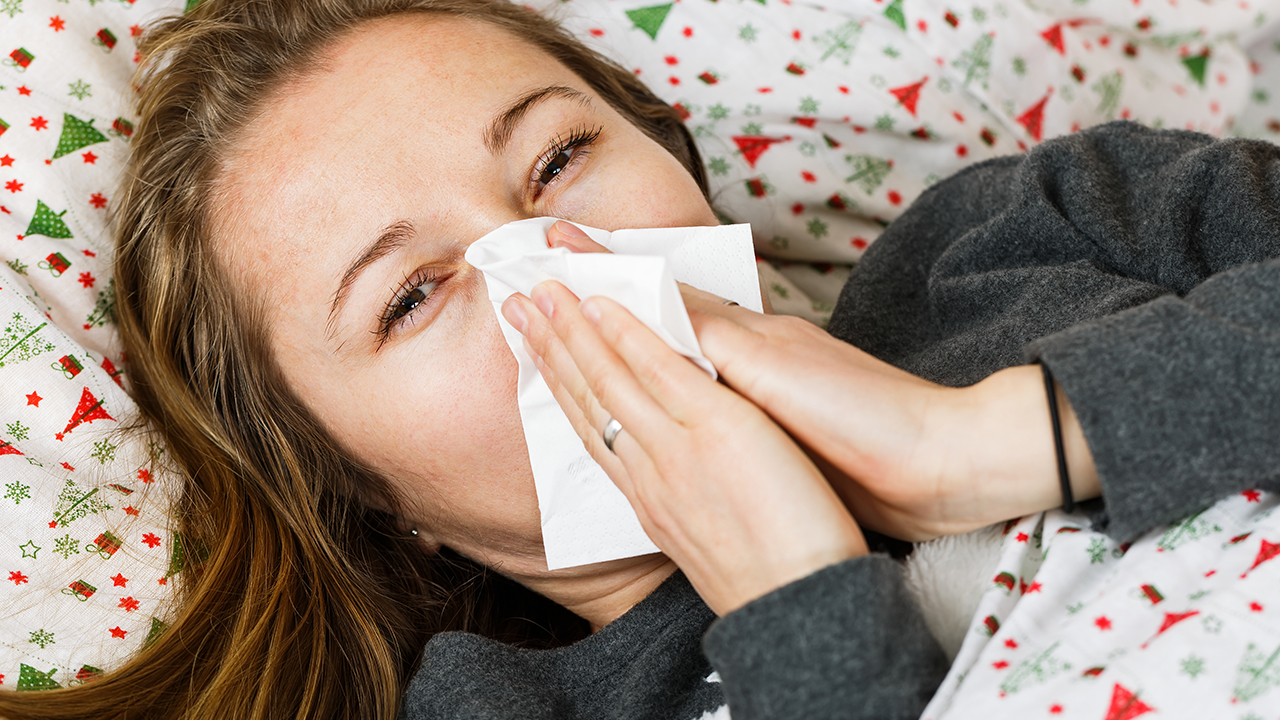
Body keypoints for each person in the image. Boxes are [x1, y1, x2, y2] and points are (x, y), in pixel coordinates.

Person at [2, 1, 1277, 720]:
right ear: (362, 489)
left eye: (557, 159)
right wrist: (799, 615)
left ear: (680, 160)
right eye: (410, 296)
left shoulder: (1016, 231)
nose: (554, 258)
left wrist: (992, 443)